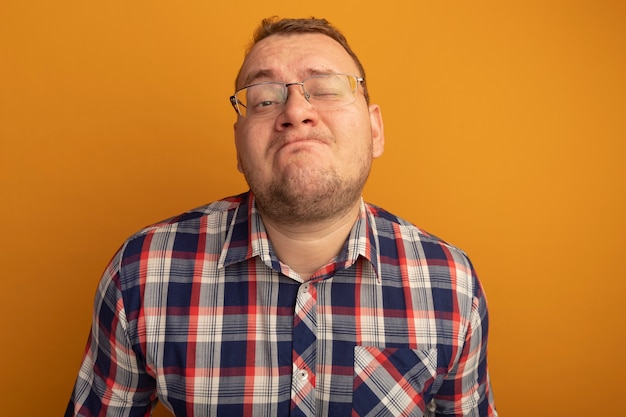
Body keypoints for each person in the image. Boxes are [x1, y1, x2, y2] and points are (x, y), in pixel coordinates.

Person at [65, 16, 497, 417]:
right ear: (239, 146)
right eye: (265, 99)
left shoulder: (451, 284)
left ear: (375, 129)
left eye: (326, 88)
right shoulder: (142, 273)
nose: (294, 111)